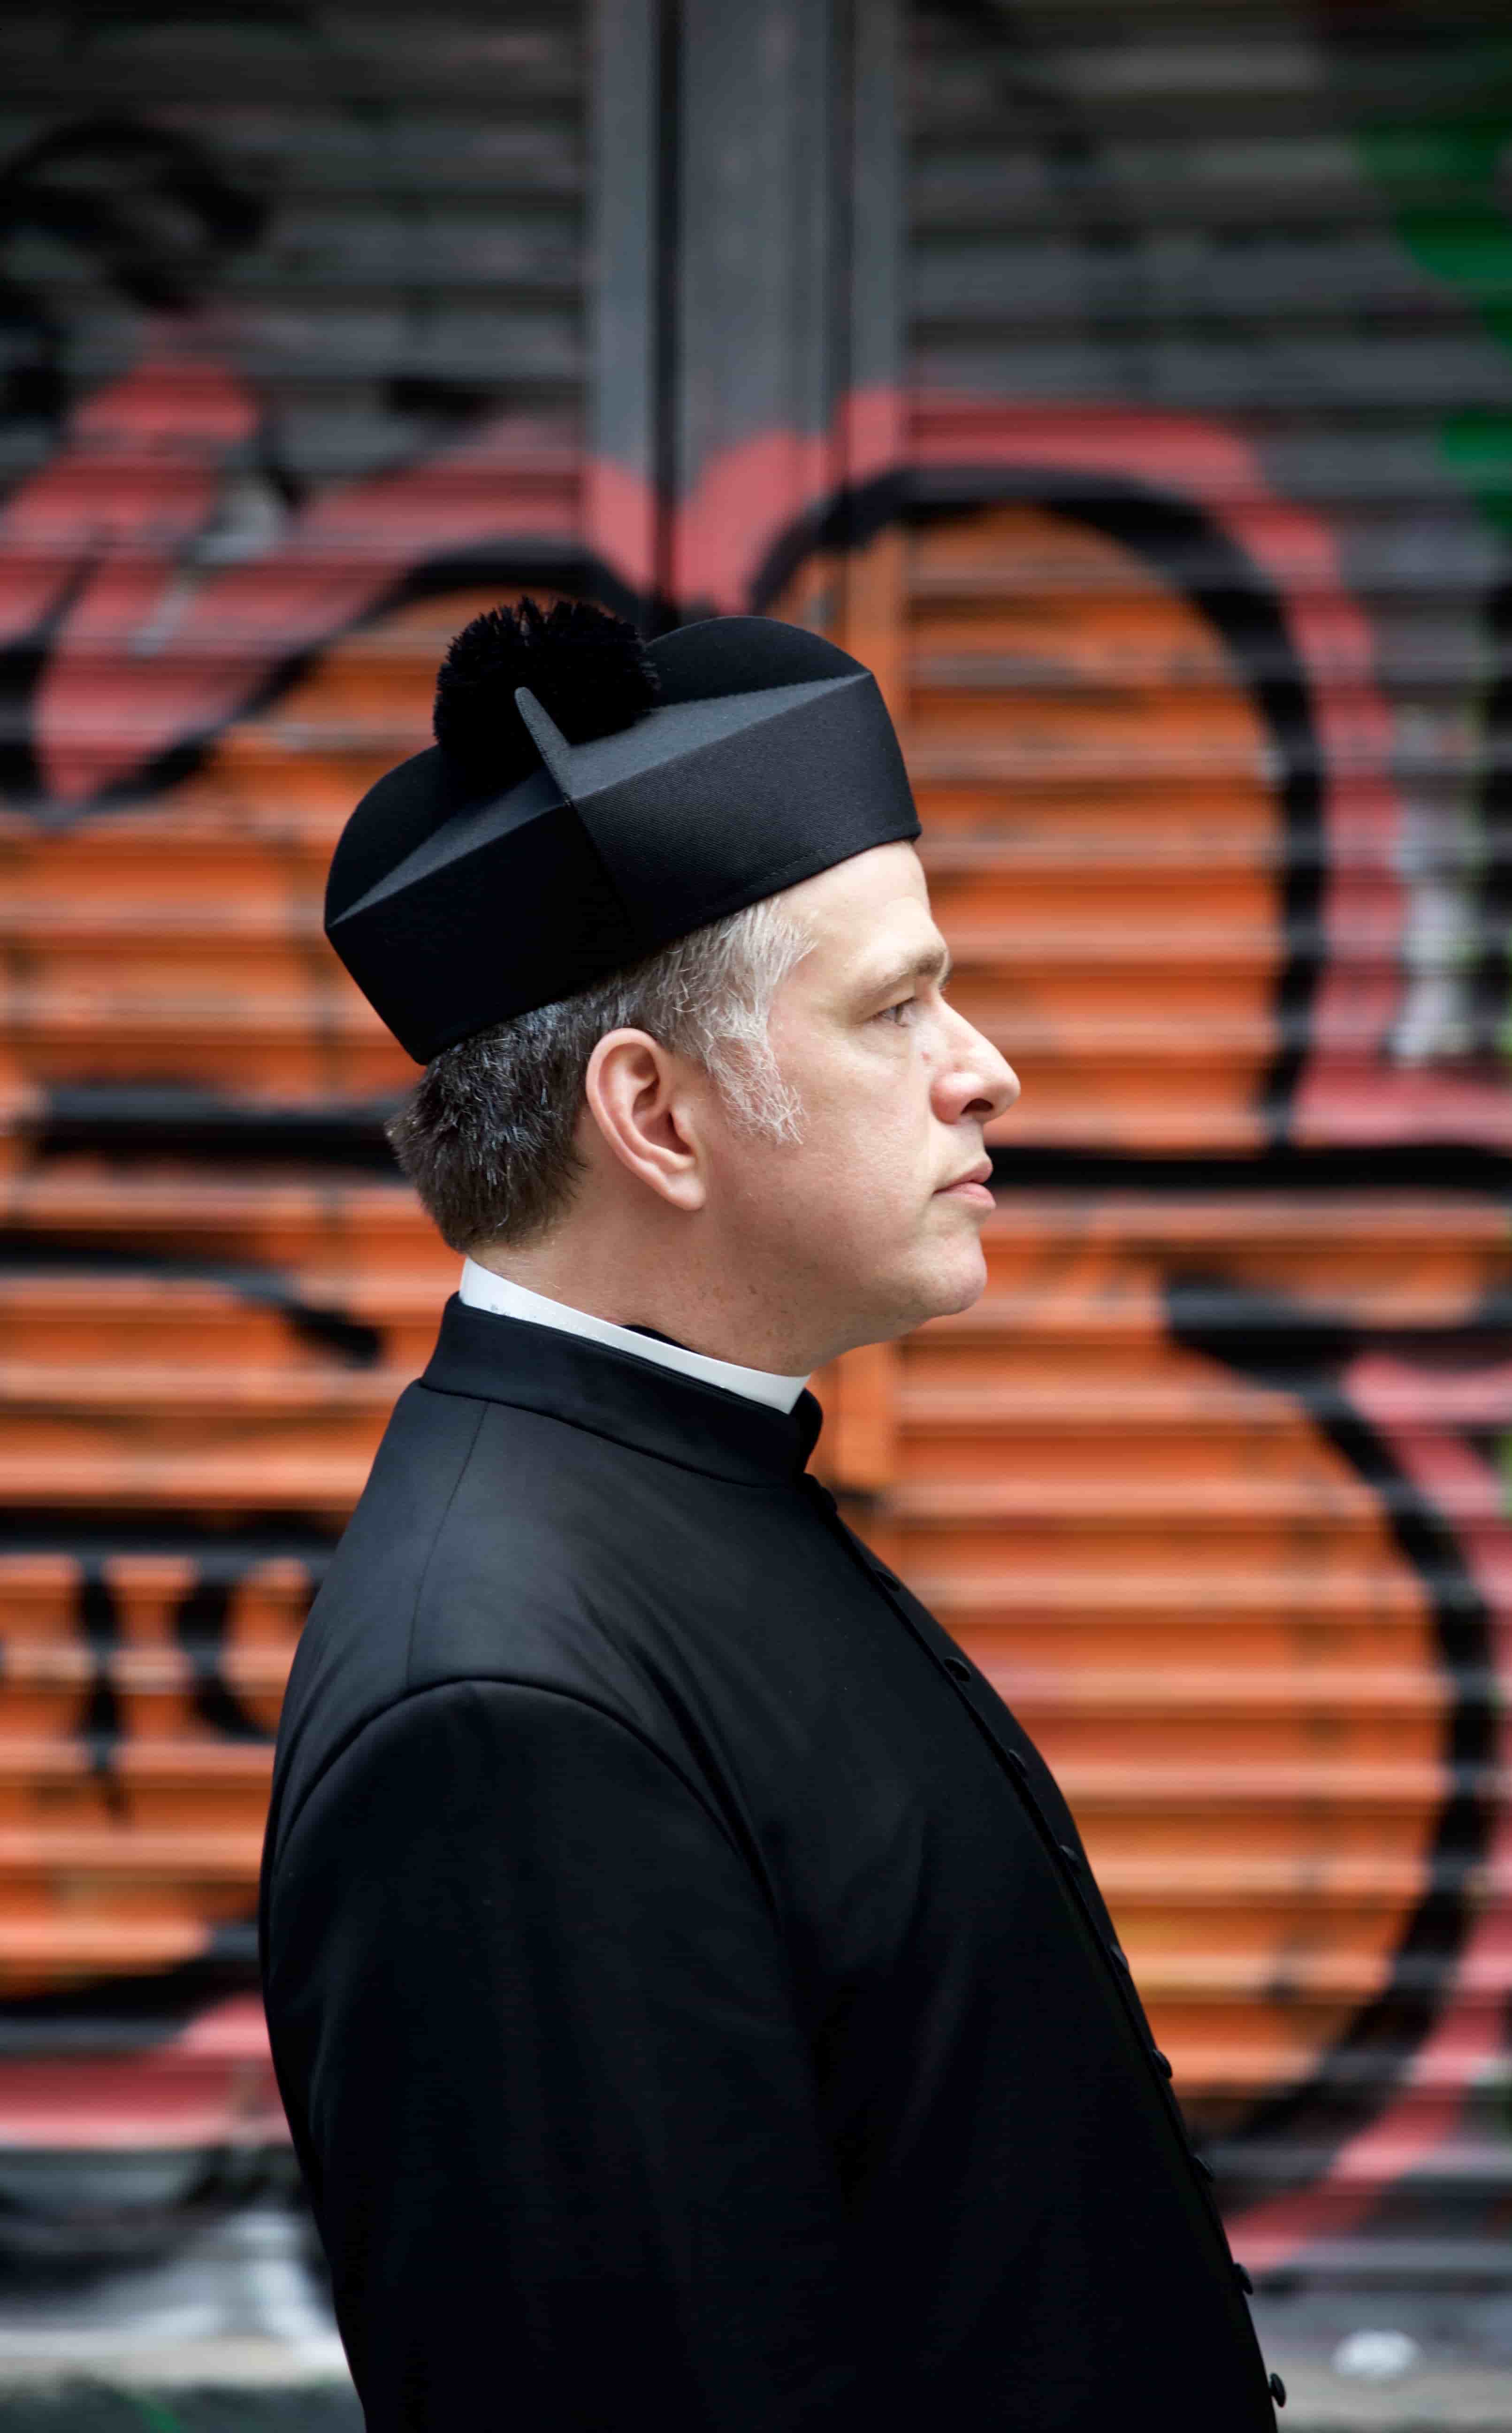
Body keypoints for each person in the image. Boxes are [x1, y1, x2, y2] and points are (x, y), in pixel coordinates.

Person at [260, 598, 1284, 2429]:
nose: (985, 1067)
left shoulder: (683, 1489)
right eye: (896, 1008)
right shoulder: (498, 1710)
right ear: (656, 1117)